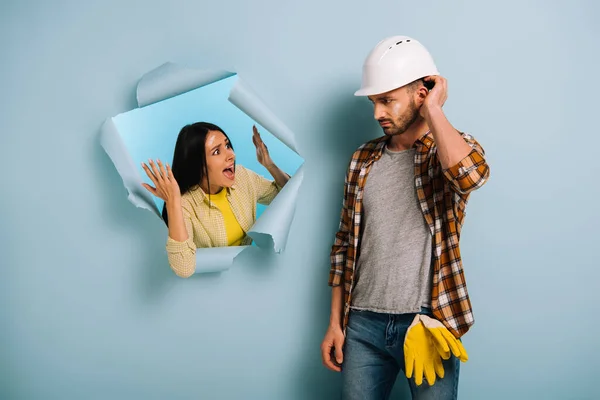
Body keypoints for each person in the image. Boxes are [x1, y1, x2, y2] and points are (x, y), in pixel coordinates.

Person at [320, 36, 490, 399]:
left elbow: (470, 176)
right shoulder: (362, 160)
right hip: (362, 324)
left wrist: (435, 112)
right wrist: (336, 323)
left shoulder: (447, 151)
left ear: (420, 94)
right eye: (373, 102)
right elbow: (344, 244)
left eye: (387, 100)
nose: (377, 113)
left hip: (427, 323)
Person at [141, 122, 290, 278]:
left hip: (246, 276)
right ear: (198, 165)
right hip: (209, 286)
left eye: (227, 146)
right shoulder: (185, 204)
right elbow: (184, 268)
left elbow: (286, 196)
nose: (231, 155)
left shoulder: (242, 177)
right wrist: (172, 202)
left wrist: (269, 164)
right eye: (217, 151)